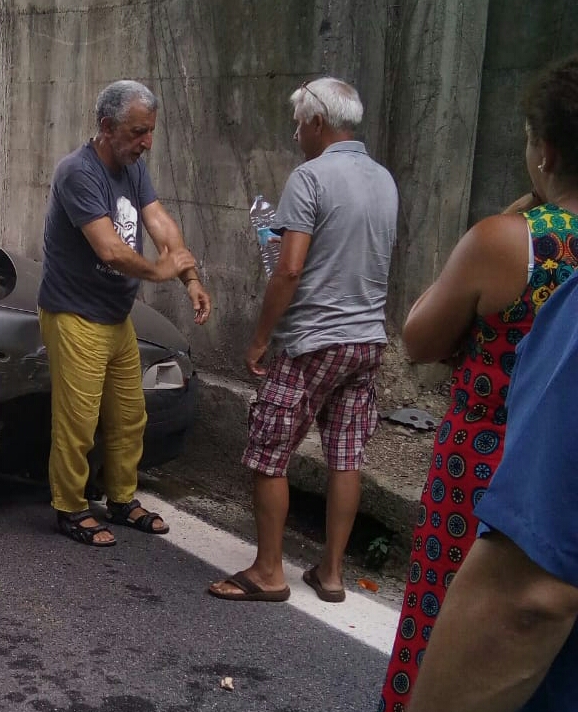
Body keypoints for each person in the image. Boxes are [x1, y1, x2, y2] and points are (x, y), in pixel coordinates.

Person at [379, 52, 578, 712]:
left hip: (487, 474)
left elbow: (419, 338)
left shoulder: (511, 241)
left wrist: (500, 223)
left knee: (460, 615)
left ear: (545, 150)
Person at [208, 77, 398, 601]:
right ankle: (331, 573)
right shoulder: (384, 180)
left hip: (313, 338)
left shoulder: (310, 177)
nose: (296, 133)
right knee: (345, 454)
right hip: (366, 341)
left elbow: (288, 270)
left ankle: (269, 572)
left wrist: (260, 338)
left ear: (317, 121)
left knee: (269, 449)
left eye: (298, 123)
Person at [38, 79, 212, 547]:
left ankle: (119, 498)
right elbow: (110, 248)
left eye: (150, 132)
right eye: (137, 132)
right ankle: (70, 507)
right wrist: (159, 272)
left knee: (128, 416)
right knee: (78, 421)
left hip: (115, 315)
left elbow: (159, 223)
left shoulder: (134, 168)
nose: (146, 143)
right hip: (74, 314)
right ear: (106, 127)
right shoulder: (78, 172)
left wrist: (189, 278)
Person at [408, 266, 578, 712]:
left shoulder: (503, 241)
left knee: (450, 609)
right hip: (516, 479)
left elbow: (526, 599)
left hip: (489, 474)